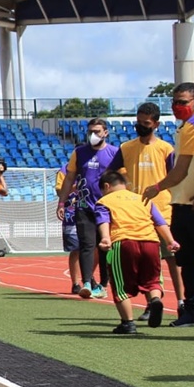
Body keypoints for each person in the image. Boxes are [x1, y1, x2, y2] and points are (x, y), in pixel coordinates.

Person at [142, 73, 194, 326]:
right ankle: (193, 312)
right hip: (181, 204)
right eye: (174, 101)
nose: (177, 106)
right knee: (188, 262)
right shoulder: (183, 129)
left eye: (183, 101)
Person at [110, 102, 181, 320]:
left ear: (156, 124)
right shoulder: (126, 148)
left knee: (172, 260)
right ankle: (152, 303)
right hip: (135, 215)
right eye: (138, 122)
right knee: (146, 262)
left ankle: (181, 303)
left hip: (162, 212)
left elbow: (175, 176)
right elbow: (111, 174)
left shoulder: (166, 149)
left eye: (146, 123)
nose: (141, 126)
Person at [96, 171, 179, 334]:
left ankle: (128, 323)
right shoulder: (143, 199)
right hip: (151, 242)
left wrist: (105, 238)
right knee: (153, 280)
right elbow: (159, 221)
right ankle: (154, 299)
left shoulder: (104, 201)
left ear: (106, 186)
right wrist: (170, 241)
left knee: (120, 284)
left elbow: (103, 220)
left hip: (124, 242)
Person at [57, 118, 118, 299]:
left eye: (97, 131)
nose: (93, 135)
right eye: (90, 131)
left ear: (105, 132)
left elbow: (123, 181)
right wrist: (62, 202)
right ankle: (87, 283)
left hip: (107, 209)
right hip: (83, 206)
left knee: (106, 246)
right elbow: (69, 179)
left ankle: (105, 283)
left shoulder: (115, 153)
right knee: (86, 245)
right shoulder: (79, 152)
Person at [55, 161, 84, 295]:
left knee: (93, 247)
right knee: (76, 249)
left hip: (90, 211)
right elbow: (59, 190)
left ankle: (91, 280)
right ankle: (76, 283)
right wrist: (73, 187)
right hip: (71, 214)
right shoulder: (65, 170)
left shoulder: (93, 165)